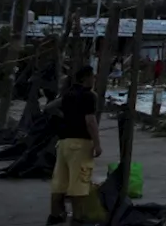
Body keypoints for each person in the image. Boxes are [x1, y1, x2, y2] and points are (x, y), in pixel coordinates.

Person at [48, 65, 102, 226]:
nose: (94, 79)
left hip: (64, 143)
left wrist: (68, 118)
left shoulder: (68, 95)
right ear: (85, 78)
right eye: (92, 76)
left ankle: (55, 215)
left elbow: (49, 108)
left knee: (60, 181)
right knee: (80, 182)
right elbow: (90, 121)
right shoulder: (89, 96)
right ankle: (78, 218)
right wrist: (97, 144)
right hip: (80, 143)